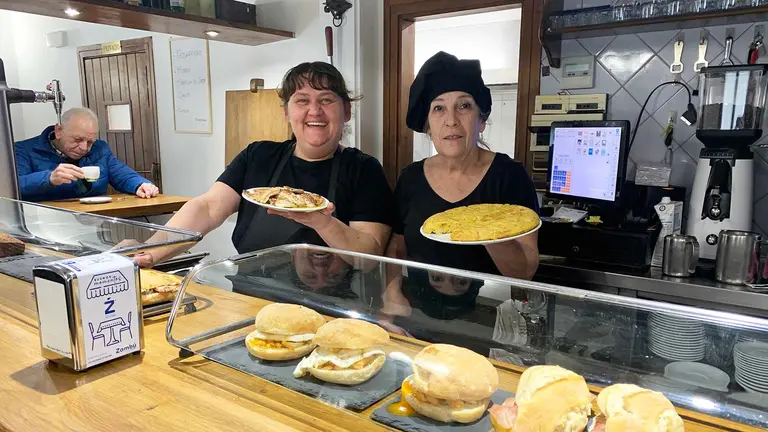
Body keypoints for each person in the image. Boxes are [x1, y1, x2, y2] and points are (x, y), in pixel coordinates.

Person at [132, 61, 394, 267]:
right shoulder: (258, 155)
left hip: (329, 313)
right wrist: (153, 250)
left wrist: (322, 222)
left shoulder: (364, 170)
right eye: (302, 100)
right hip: (251, 299)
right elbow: (207, 207)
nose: (314, 110)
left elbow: (369, 257)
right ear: (286, 112)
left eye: (326, 99)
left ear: (346, 111)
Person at [385, 51, 540, 280]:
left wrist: (487, 230)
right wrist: (393, 294)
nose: (451, 121)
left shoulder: (509, 176)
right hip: (418, 309)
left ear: (482, 119)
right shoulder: (410, 178)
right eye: (438, 108)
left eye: (464, 106)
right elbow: (397, 246)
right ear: (428, 127)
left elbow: (525, 271)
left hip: (488, 310)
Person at [14, 107, 159, 201]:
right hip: (43, 223)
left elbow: (122, 175)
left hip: (96, 221)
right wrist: (49, 178)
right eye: (78, 140)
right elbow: (14, 187)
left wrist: (140, 184)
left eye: (90, 141)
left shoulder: (100, 149)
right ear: (59, 131)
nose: (84, 148)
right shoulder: (24, 150)